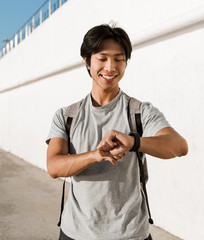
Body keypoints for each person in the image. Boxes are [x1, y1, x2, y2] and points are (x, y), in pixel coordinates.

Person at [46, 24, 188, 240]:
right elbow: (54, 167)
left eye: (119, 59)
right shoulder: (66, 116)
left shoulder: (139, 111)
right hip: (76, 233)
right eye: (102, 58)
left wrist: (134, 142)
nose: (110, 67)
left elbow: (179, 146)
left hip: (130, 234)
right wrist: (95, 155)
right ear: (87, 60)